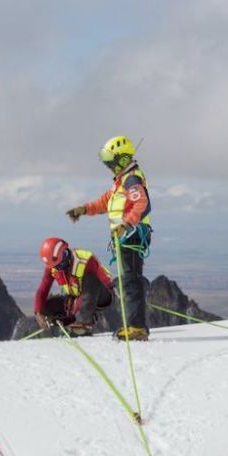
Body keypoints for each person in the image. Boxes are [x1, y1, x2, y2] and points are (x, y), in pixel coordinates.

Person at [66, 135, 152, 341]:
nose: (110, 167)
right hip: (125, 236)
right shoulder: (121, 182)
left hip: (131, 236)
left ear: (122, 159)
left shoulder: (132, 179)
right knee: (129, 279)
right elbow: (105, 202)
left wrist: (126, 224)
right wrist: (84, 209)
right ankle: (136, 323)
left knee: (130, 280)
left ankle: (137, 328)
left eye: (111, 163)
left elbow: (143, 204)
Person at [34, 237, 114, 336]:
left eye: (59, 265)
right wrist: (38, 312)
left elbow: (88, 292)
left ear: (64, 254)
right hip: (76, 297)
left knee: (90, 280)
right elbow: (43, 288)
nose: (58, 269)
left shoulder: (86, 261)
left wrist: (71, 317)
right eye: (55, 267)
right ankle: (77, 321)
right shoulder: (53, 265)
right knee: (46, 307)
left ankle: (83, 324)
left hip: (102, 294)